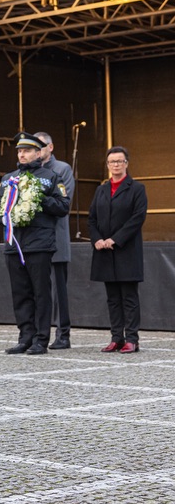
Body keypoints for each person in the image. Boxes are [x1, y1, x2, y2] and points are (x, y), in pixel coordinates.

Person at [0, 132, 70, 356]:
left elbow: (63, 206)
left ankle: (40, 339)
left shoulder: (51, 177)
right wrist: (3, 218)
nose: (22, 154)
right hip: (14, 243)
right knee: (20, 293)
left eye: (26, 151)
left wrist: (39, 197)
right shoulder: (9, 178)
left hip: (40, 244)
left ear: (38, 153)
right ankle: (25, 337)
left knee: (41, 293)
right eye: (19, 151)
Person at [89, 146, 148, 353]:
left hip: (127, 251)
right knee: (113, 298)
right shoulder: (101, 190)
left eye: (119, 161)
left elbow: (137, 218)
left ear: (126, 163)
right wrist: (97, 239)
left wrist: (115, 239)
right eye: (112, 161)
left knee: (129, 298)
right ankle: (117, 338)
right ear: (107, 165)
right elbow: (92, 218)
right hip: (105, 252)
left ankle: (132, 339)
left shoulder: (137, 188)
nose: (116, 165)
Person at [35, 131, 75, 349]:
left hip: (56, 239)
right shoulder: (28, 172)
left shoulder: (62, 169)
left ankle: (63, 335)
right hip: (34, 240)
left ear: (51, 147)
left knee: (58, 292)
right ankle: (37, 334)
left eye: (41, 146)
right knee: (37, 290)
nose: (37, 150)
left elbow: (63, 203)